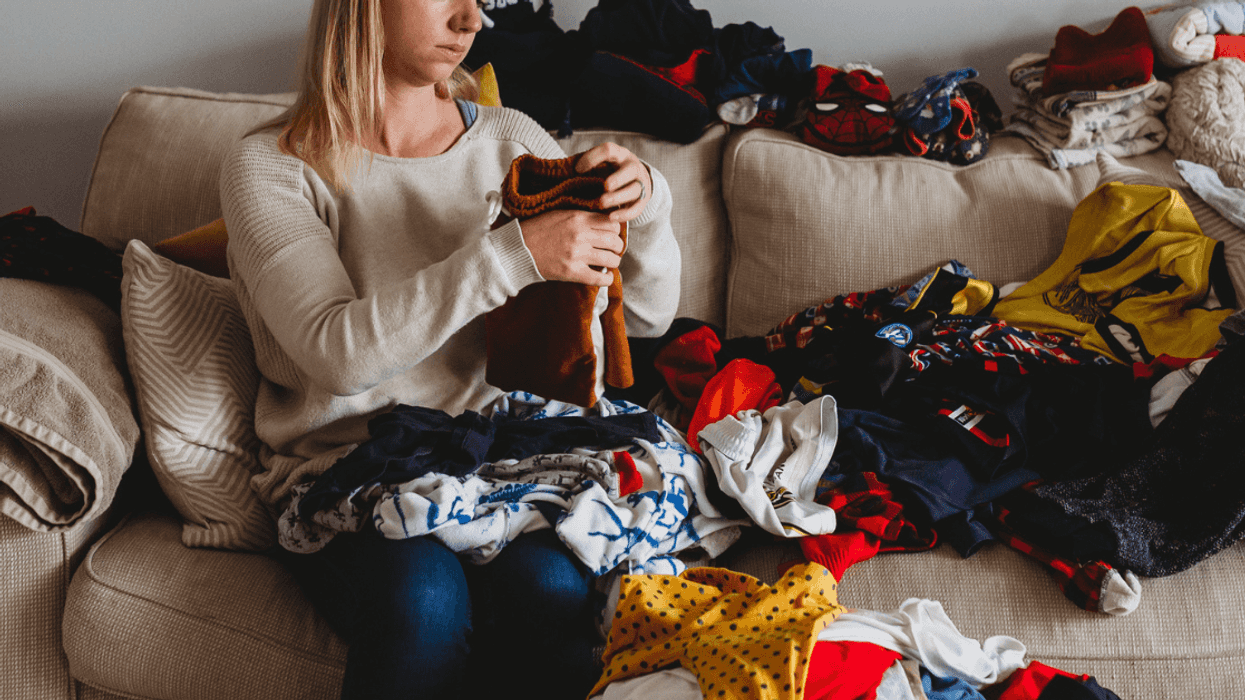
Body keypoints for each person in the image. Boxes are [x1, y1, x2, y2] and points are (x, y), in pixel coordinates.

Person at [217, 0, 681, 698]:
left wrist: (645, 206)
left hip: (509, 456)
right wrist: (515, 255)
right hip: (352, 466)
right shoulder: (272, 165)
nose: (471, 20)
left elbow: (644, 317)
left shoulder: (513, 139)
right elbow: (336, 356)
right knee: (423, 600)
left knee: (554, 585)